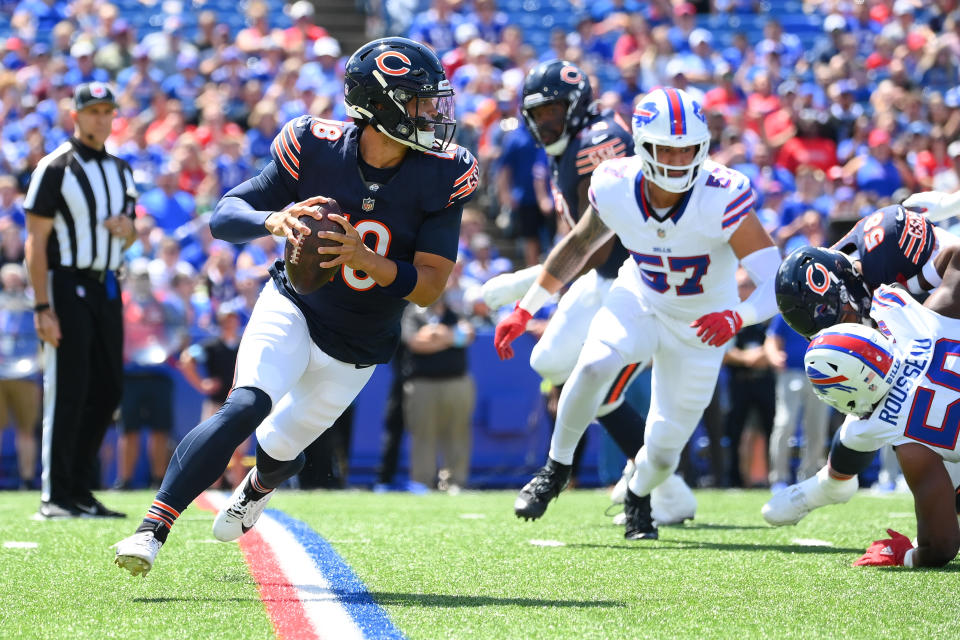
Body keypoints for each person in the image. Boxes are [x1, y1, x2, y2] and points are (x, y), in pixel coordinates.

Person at [114, 37, 478, 576]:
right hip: (295, 304)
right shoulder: (315, 143)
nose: (432, 114)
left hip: (359, 343)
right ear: (378, 106)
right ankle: (152, 529)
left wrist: (363, 257)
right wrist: (274, 219)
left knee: (281, 447)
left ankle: (258, 485)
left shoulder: (443, 171)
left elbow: (428, 288)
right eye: (417, 102)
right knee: (246, 406)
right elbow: (224, 214)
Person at [495, 86, 780, 540]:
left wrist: (738, 317)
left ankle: (639, 493)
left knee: (664, 451)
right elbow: (579, 244)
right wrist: (525, 307)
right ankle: (554, 470)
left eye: (687, 149)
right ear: (642, 146)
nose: (677, 159)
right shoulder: (614, 182)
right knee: (590, 365)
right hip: (641, 297)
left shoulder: (721, 193)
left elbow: (775, 278)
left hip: (702, 327)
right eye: (665, 147)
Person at [482, 61, 696, 525]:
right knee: (551, 365)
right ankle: (666, 486)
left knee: (595, 389)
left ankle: (666, 490)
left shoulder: (596, 144)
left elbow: (593, 245)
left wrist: (527, 287)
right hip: (604, 278)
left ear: (576, 106)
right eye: (537, 114)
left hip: (639, 284)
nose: (545, 122)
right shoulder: (575, 142)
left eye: (554, 111)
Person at [764, 282, 960, 568]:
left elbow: (941, 548)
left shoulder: (890, 430)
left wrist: (904, 556)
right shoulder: (908, 317)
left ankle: (829, 485)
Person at [24, 82, 136, 518]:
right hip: (66, 284)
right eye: (93, 112)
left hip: (107, 284)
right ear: (76, 116)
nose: (101, 119)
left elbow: (130, 234)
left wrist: (128, 232)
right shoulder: (56, 167)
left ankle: (82, 489)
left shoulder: (122, 170)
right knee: (68, 388)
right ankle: (57, 494)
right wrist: (41, 306)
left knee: (108, 389)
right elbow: (36, 241)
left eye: (108, 112)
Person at [400, 290, 476, 492]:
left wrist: (435, 335)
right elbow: (415, 343)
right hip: (423, 385)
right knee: (423, 435)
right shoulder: (413, 313)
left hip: (457, 383)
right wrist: (451, 336)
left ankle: (455, 483)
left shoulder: (457, 313)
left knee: (458, 434)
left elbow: (467, 336)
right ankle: (422, 483)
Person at [0, 263, 42, 489]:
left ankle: (26, 479)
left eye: (18, 280)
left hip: (26, 375)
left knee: (26, 430)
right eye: (10, 280)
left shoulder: (32, 307)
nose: (14, 285)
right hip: (0, 375)